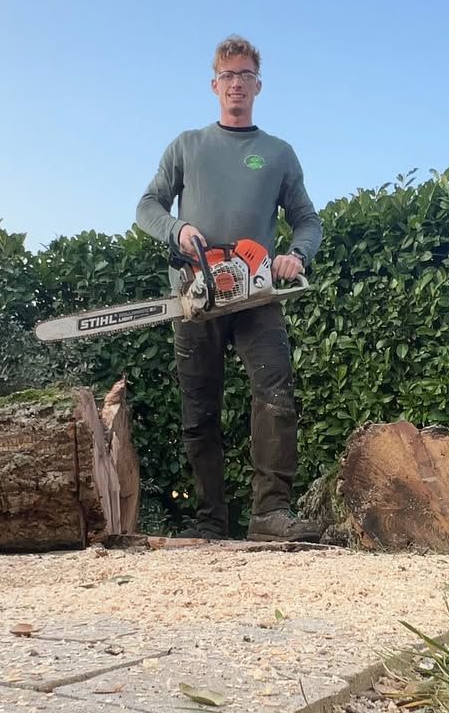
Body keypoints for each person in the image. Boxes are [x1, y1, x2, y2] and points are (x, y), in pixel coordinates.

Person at [135, 36, 323, 541]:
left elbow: (308, 222)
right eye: (227, 76)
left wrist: (295, 256)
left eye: (244, 76)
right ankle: (210, 522)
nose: (236, 84)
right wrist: (178, 230)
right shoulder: (187, 146)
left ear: (257, 85)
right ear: (214, 84)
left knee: (275, 393)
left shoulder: (277, 154)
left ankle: (269, 514)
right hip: (196, 294)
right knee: (199, 412)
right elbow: (147, 207)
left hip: (255, 295)